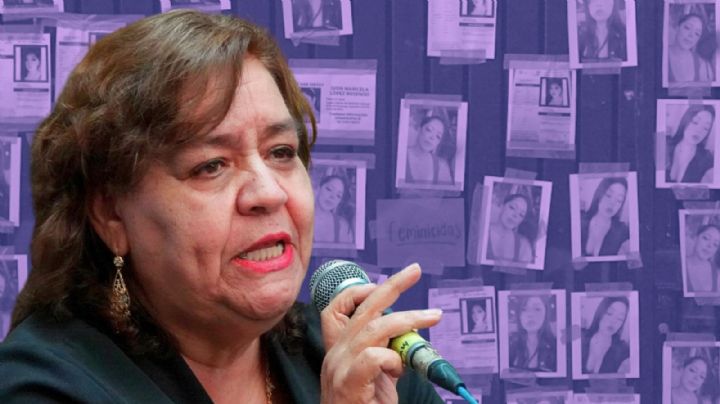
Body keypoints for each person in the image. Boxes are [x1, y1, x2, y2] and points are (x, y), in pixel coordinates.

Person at [0, 10, 445, 403]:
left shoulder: (367, 360)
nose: (269, 193)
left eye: (281, 152)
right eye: (211, 165)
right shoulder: (42, 385)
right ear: (112, 216)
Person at [580, 177, 630, 257]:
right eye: (608, 195)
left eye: (619, 200)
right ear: (599, 194)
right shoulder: (580, 222)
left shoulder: (622, 231)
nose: (612, 203)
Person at [666, 105, 715, 184]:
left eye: (706, 128)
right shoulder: (664, 146)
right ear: (686, 120)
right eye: (695, 122)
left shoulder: (707, 159)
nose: (699, 130)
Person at [581, 296, 630, 374]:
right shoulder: (581, 337)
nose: (613, 321)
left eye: (620, 318)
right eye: (609, 313)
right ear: (600, 313)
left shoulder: (623, 350)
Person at [507, 296, 557, 373]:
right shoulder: (510, 344)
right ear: (519, 315)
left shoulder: (556, 347)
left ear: (546, 314)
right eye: (524, 309)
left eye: (537, 309)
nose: (530, 315)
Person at [405, 115, 453, 185]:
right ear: (419, 129)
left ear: (438, 143)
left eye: (438, 136)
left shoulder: (442, 166)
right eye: (429, 130)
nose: (432, 137)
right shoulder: (401, 156)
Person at [487, 193, 534, 263]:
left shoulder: (524, 246)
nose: (515, 215)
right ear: (502, 206)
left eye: (521, 215)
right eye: (512, 208)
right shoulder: (481, 232)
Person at [668, 13, 715, 83]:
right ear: (677, 28)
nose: (691, 35)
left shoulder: (703, 66)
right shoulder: (661, 54)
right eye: (687, 28)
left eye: (697, 33)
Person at [313, 174, 353, 245]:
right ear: (319, 188)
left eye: (338, 195)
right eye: (329, 189)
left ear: (339, 202)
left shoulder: (342, 226)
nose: (332, 197)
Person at [685, 224, 720, 293]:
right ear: (695, 238)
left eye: (715, 244)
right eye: (706, 238)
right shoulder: (680, 265)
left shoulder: (717, 273)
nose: (710, 245)